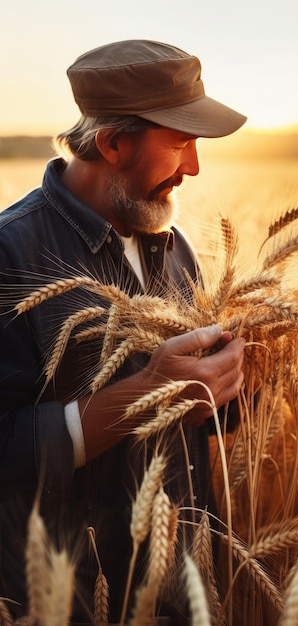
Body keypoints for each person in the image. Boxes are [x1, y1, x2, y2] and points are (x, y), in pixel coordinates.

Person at [0, 39, 247, 624]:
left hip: (181, 590)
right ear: (113, 143)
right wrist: (143, 395)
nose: (193, 169)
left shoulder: (174, 245)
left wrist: (235, 381)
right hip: (70, 600)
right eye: (182, 143)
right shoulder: (10, 255)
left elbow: (198, 420)